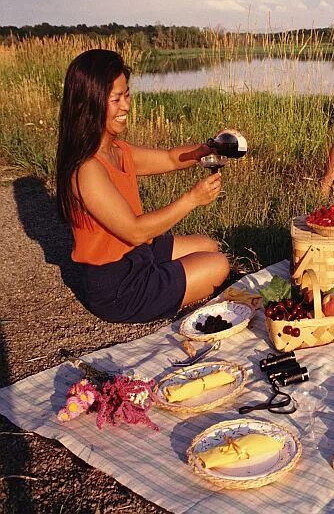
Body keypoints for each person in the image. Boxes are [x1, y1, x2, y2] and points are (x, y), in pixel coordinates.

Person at [55, 49, 230, 323]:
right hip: (118, 287)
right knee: (219, 265)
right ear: (88, 103)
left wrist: (206, 148)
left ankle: (168, 277)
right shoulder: (87, 169)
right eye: (116, 99)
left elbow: (171, 158)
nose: (126, 106)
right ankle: (160, 288)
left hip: (137, 254)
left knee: (209, 245)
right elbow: (135, 231)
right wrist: (192, 199)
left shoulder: (117, 150)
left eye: (127, 94)